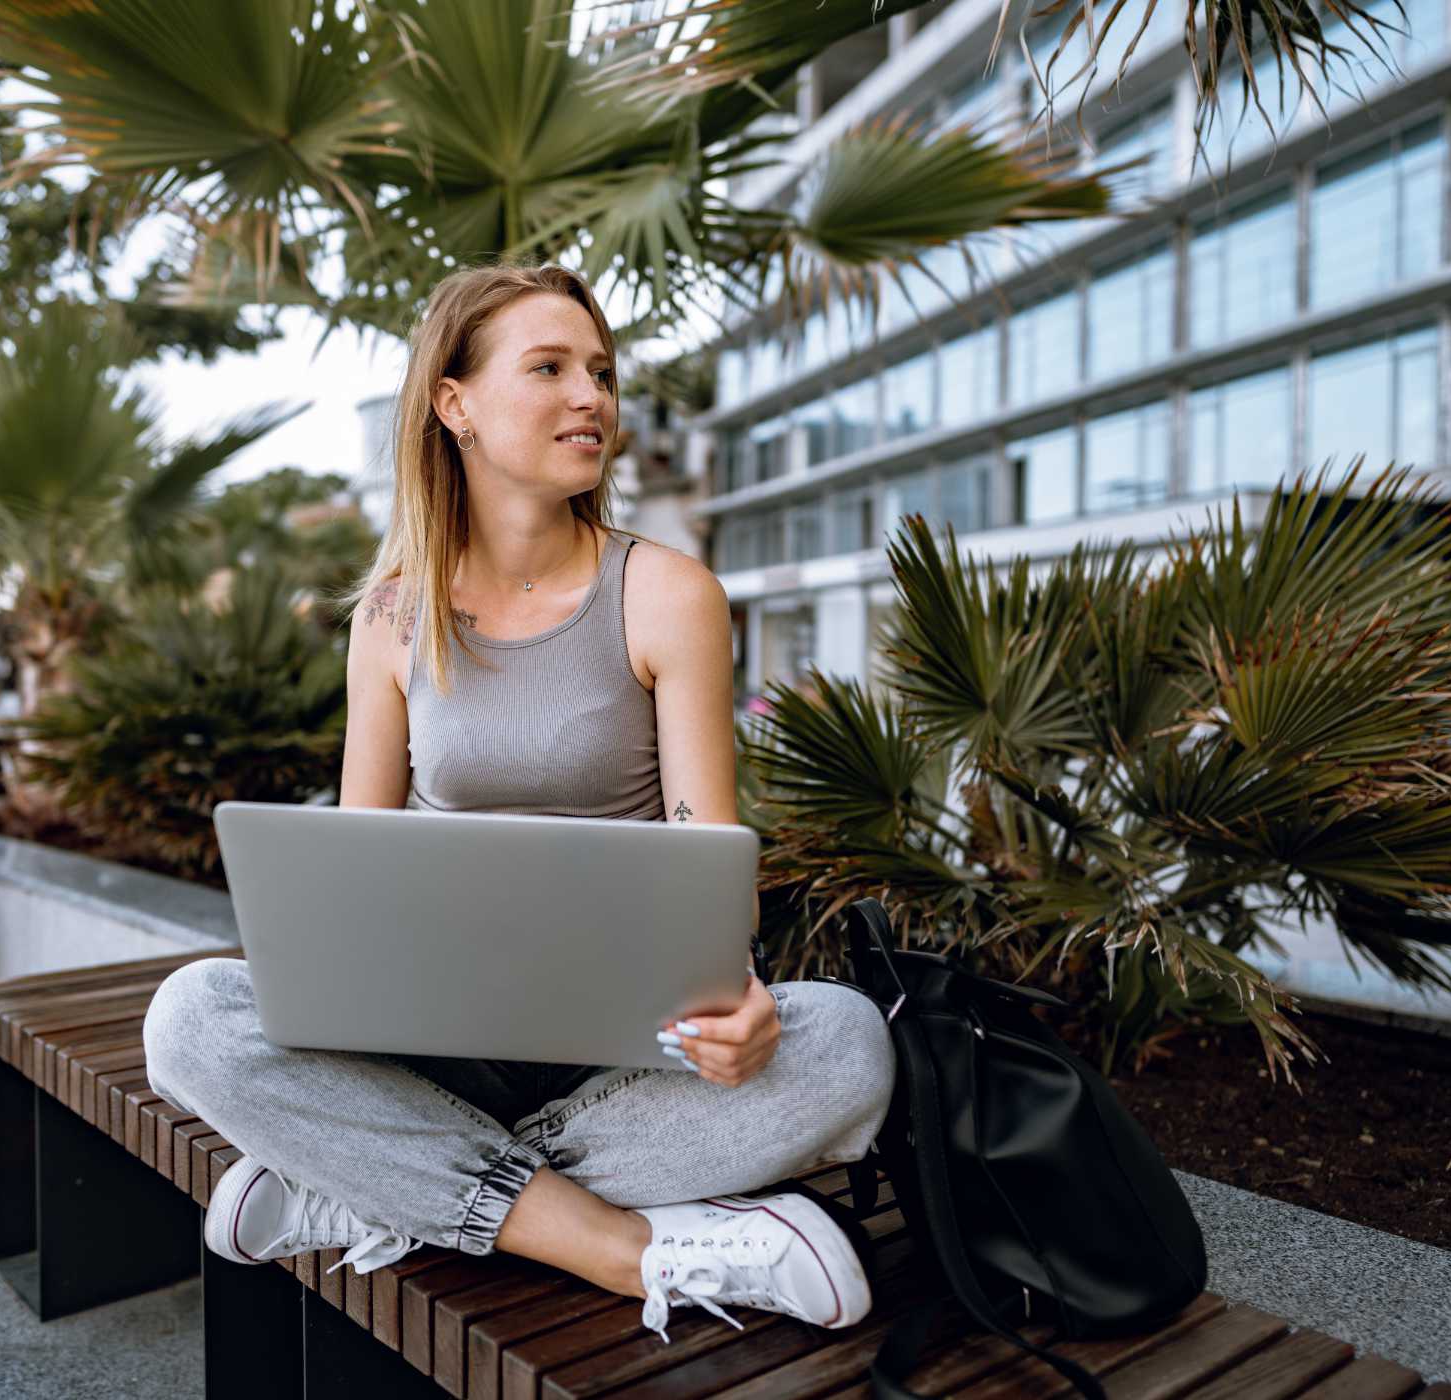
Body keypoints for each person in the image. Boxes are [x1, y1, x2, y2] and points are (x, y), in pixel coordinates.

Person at [142, 262, 895, 1343]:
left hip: (631, 1051)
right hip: (434, 1039)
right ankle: (625, 1244)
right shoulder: (392, 618)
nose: (591, 395)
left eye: (599, 371)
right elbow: (355, 885)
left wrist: (744, 1006)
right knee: (190, 1020)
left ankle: (375, 1184)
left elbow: (710, 874)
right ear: (455, 403)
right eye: (548, 368)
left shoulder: (669, 593)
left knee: (846, 1043)